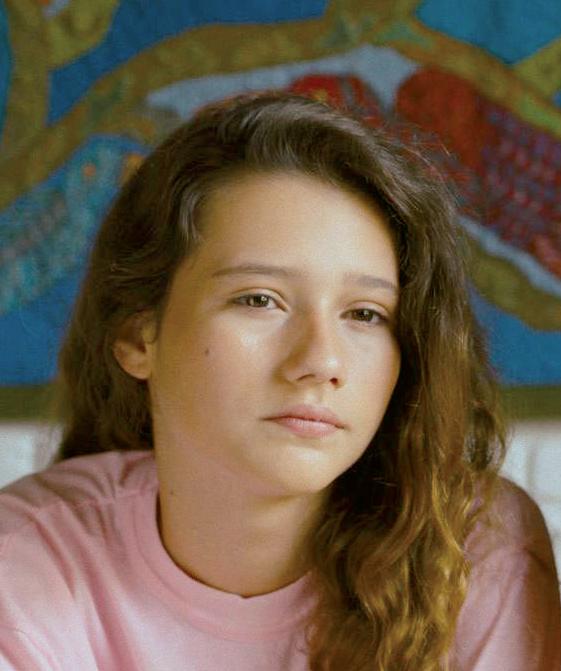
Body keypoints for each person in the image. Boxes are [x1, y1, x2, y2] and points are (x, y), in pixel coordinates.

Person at [0, 91, 559, 671]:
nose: (322, 361)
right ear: (140, 338)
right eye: (259, 300)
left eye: (365, 313)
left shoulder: (476, 548)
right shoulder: (24, 554)